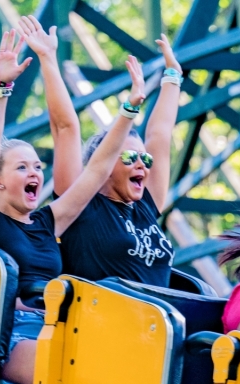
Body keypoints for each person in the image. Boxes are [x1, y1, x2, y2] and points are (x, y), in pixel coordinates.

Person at [0, 18, 146, 384]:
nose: (35, 172)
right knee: (71, 374)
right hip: (10, 333)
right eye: (22, 167)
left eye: (37, 166)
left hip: (58, 326)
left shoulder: (49, 221)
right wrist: (0, 88)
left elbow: (97, 170)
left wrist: (128, 110)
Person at [57, 34, 182, 287]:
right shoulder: (80, 207)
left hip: (156, 311)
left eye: (145, 159)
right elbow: (64, 127)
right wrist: (48, 58)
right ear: (103, 165)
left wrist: (173, 76)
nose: (141, 164)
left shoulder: (145, 206)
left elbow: (160, 135)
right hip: (105, 308)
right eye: (129, 157)